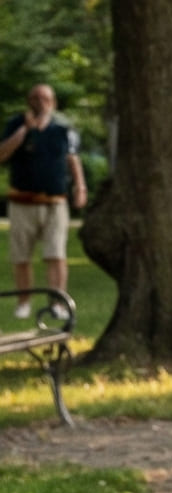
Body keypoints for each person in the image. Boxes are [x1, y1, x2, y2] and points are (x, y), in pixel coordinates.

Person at [0, 84, 86, 318]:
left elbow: (73, 158)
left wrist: (80, 186)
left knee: (56, 254)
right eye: (36, 98)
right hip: (22, 202)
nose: (41, 102)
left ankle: (58, 304)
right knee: (21, 256)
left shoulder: (64, 128)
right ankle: (23, 302)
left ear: (53, 102)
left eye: (46, 98)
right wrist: (24, 131)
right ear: (29, 101)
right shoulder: (16, 124)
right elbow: (2, 154)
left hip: (55, 202)